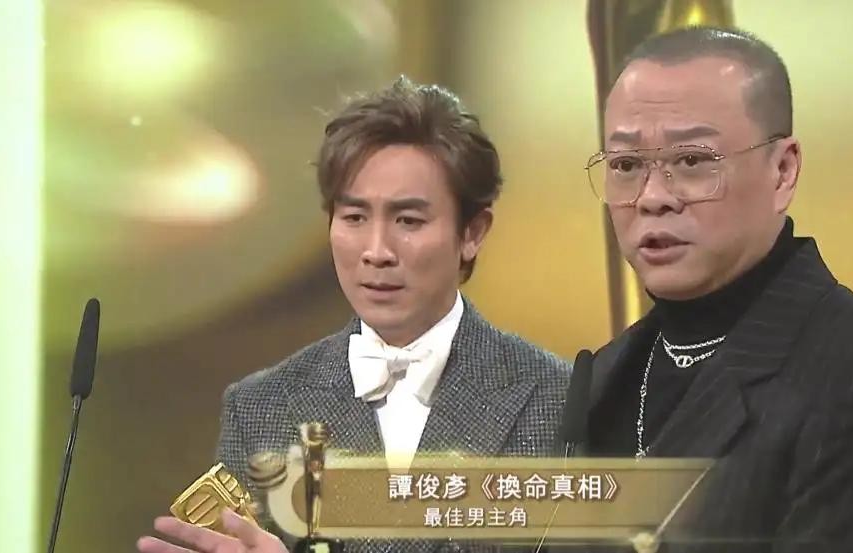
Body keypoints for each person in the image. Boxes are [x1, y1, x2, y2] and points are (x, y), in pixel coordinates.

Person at [137, 77, 569, 553]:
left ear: (472, 232)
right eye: (354, 218)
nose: (376, 251)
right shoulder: (261, 408)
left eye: (408, 220)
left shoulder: (558, 399)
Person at [577, 27, 853, 552]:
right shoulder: (598, 379)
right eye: (626, 165)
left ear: (782, 172)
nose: (652, 197)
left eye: (691, 161)